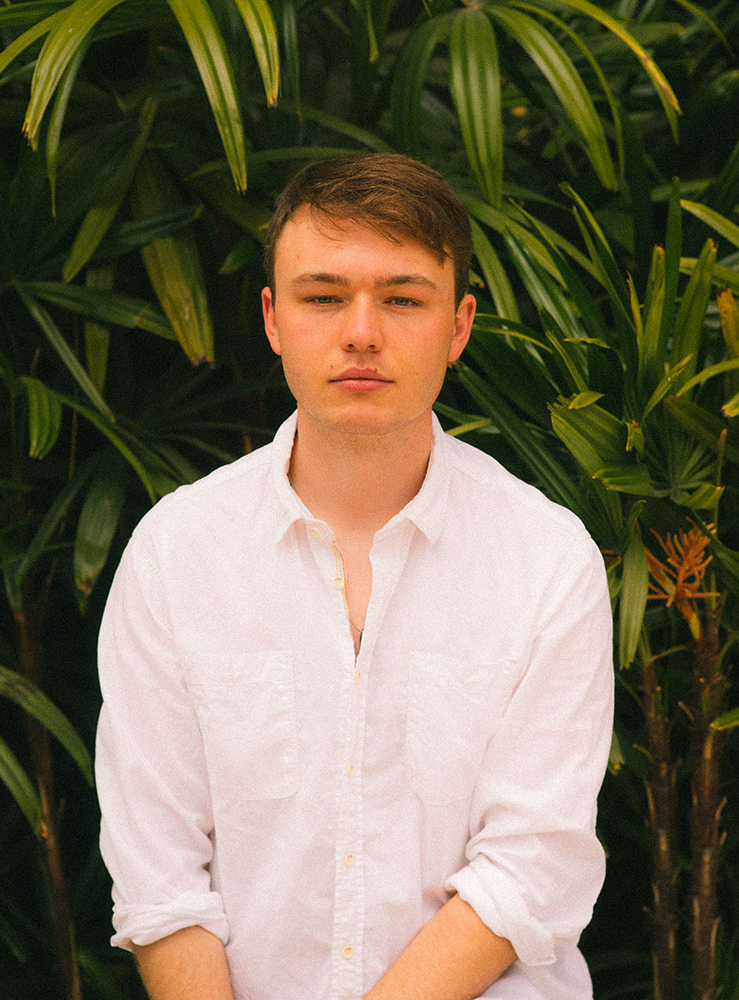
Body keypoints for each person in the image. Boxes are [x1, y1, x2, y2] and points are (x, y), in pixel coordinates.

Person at [95, 152, 614, 1000]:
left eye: (404, 298)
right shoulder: (176, 555)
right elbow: (160, 881)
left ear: (459, 324)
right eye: (323, 296)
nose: (362, 332)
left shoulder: (548, 561)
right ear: (271, 317)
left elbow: (530, 869)